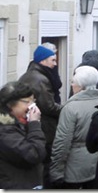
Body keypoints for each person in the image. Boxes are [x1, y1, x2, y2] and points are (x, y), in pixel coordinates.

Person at [49, 66, 98, 189]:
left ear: (80, 86)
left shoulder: (71, 108)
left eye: (73, 82)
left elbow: (62, 142)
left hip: (75, 169)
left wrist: (56, 171)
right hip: (97, 165)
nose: (71, 85)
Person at [18, 44, 62, 188]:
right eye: (53, 60)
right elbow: (48, 106)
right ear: (43, 61)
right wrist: (66, 109)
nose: (55, 64)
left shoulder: (32, 74)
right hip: (43, 126)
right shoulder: (40, 79)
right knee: (45, 163)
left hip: (35, 125)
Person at [0, 81, 45, 189]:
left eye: (33, 101)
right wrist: (35, 124)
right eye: (27, 102)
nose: (32, 106)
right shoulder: (5, 131)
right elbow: (34, 154)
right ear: (10, 104)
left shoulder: (19, 122)